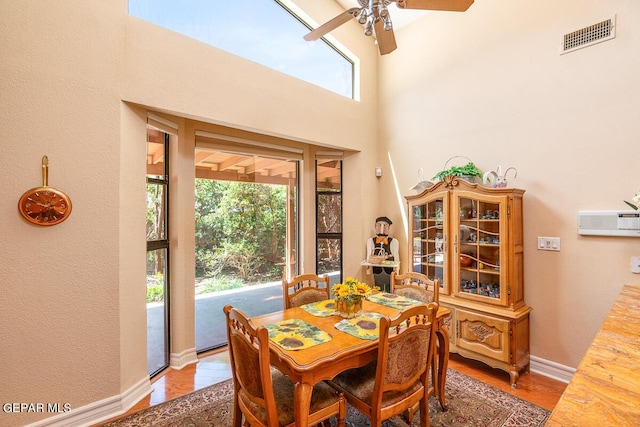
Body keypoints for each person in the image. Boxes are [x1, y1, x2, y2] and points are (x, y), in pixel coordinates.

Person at [366, 216, 399, 292]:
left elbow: (396, 257)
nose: (382, 229)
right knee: (377, 288)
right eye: (378, 226)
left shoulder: (394, 242)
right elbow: (368, 256)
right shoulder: (371, 241)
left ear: (389, 228)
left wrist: (397, 271)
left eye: (385, 226)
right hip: (377, 271)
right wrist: (367, 269)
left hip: (389, 271)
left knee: (389, 289)